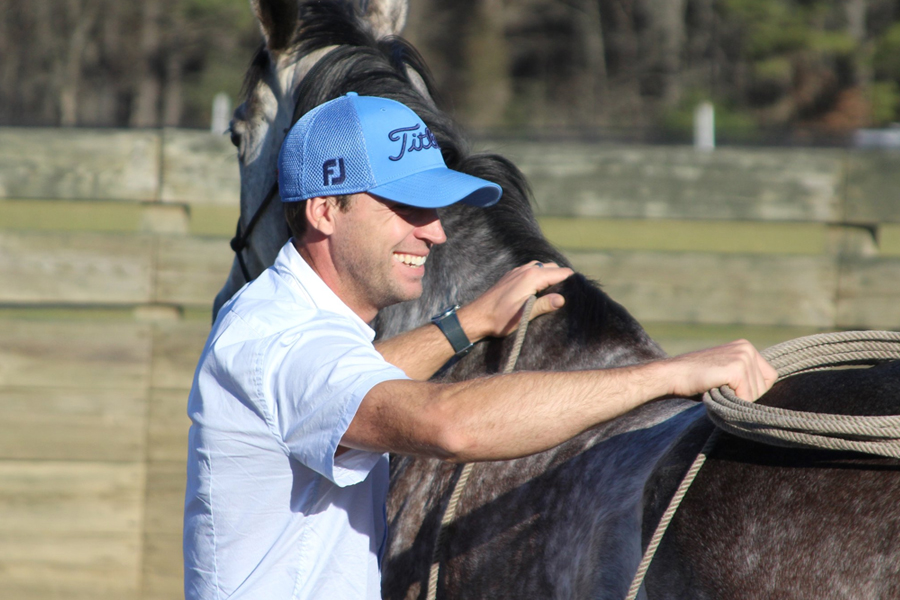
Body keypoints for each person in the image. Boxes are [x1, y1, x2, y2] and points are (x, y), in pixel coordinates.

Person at [183, 93, 777, 599]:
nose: (435, 230)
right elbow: (449, 426)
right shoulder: (283, 341)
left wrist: (465, 324)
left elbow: (359, 381)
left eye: (435, 208)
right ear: (324, 210)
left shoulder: (289, 318)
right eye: (405, 206)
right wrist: (670, 375)